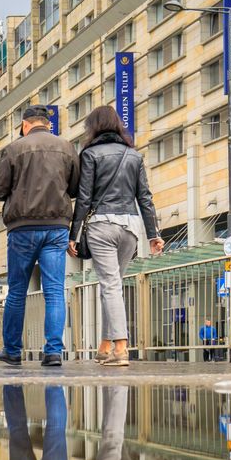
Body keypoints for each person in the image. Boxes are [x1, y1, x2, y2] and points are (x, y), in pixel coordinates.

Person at [69, 105, 163, 367]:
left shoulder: (89, 154)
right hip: (131, 227)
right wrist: (153, 234)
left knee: (110, 285)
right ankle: (105, 346)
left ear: (93, 127)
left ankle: (121, 349)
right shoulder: (134, 155)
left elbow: (84, 198)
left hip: (102, 225)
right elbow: (144, 197)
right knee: (113, 286)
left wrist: (73, 234)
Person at [0, 105, 80, 367]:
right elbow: (75, 187)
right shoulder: (66, 147)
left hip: (22, 227)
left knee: (17, 291)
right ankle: (53, 351)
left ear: (25, 124)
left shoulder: (15, 148)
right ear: (47, 124)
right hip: (56, 227)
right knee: (54, 290)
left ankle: (12, 350)